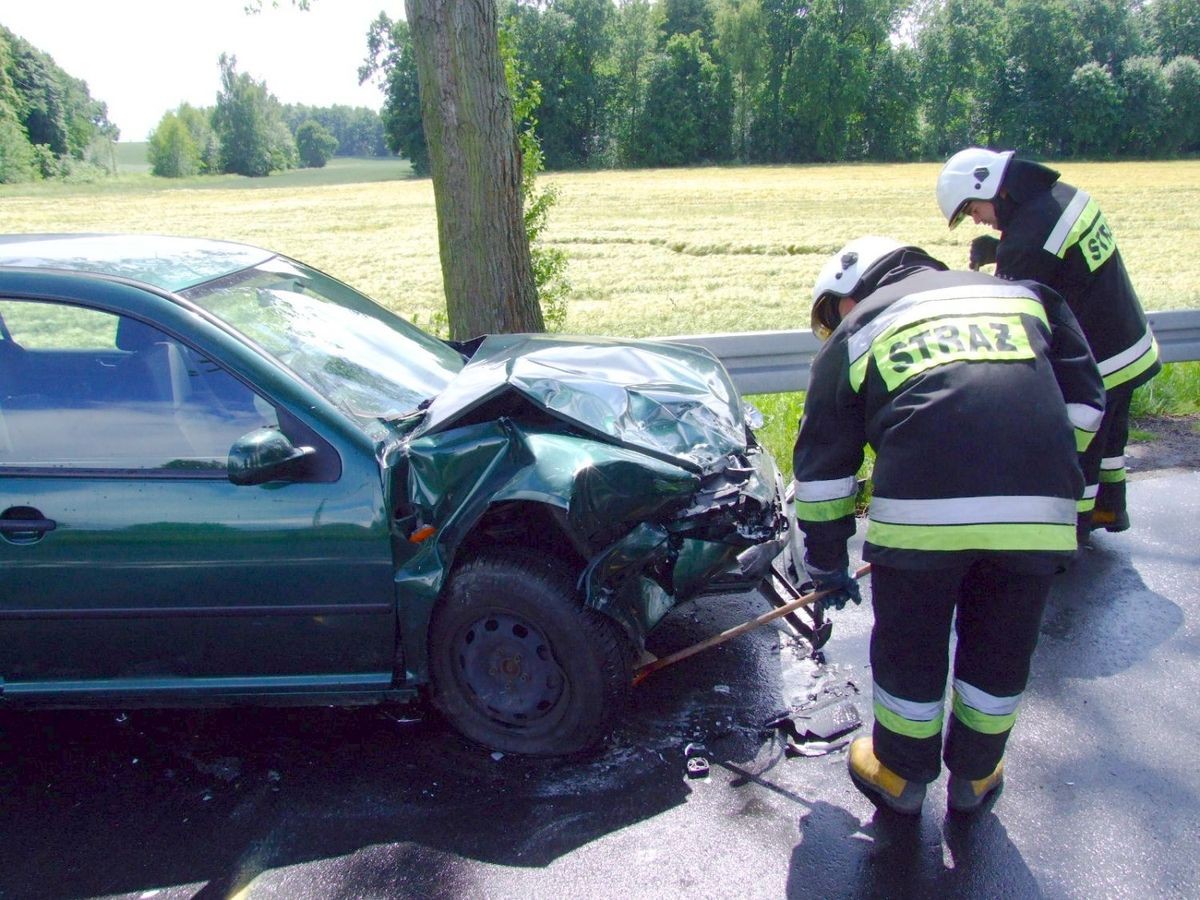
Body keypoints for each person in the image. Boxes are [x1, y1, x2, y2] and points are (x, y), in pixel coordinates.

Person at [794, 236, 1104, 815]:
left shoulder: (859, 330)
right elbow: (1086, 405)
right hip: (1036, 518)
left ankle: (901, 778)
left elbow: (822, 471)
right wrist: (1041, 471)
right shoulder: (1025, 297)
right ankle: (977, 777)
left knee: (910, 648)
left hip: (922, 521)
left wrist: (828, 563)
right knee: (1002, 648)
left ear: (848, 293)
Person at [936, 148, 1161, 537]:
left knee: (1084, 448)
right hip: (1130, 344)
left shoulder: (1029, 237)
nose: (977, 220)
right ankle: (1111, 510)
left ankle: (1073, 531)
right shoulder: (1060, 196)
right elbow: (1060, 257)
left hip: (1101, 359)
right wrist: (1000, 247)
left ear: (990, 187)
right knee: (1110, 439)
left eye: (973, 210)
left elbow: (1011, 309)